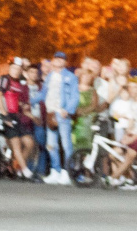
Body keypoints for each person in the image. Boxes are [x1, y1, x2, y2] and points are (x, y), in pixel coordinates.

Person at [107, 77, 137, 190]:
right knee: (113, 154)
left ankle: (112, 178)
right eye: (130, 87)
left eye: (134, 87)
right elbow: (131, 122)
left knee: (130, 155)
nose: (132, 90)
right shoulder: (132, 103)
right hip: (135, 132)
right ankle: (128, 179)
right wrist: (126, 135)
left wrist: (132, 139)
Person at [41, 52, 78, 185]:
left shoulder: (71, 77)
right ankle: (55, 171)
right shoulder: (49, 76)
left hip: (61, 113)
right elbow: (44, 93)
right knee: (51, 145)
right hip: (50, 112)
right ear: (53, 60)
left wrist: (67, 110)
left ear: (65, 62)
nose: (58, 61)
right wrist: (32, 101)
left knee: (66, 144)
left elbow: (75, 96)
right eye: (56, 58)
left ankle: (67, 173)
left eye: (62, 59)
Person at [0, 58, 34, 179]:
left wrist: (23, 105)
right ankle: (26, 172)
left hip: (17, 116)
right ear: (10, 68)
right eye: (14, 68)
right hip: (6, 115)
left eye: (18, 69)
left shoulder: (20, 82)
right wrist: (4, 114)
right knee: (16, 145)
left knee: (29, 143)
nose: (16, 71)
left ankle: (17, 168)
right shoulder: (4, 79)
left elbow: (17, 99)